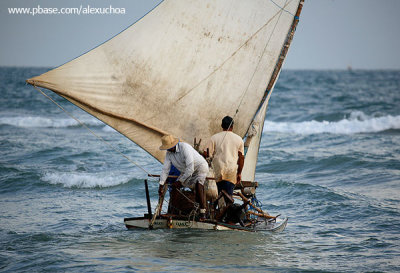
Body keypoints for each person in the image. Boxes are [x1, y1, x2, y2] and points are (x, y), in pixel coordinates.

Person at [158, 134, 208, 220]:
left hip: (200, 167)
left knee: (199, 184)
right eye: (167, 148)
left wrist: (180, 181)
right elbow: (165, 170)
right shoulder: (169, 154)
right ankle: (173, 212)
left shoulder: (184, 147)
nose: (169, 149)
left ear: (174, 144)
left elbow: (191, 168)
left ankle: (202, 212)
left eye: (170, 147)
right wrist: (161, 185)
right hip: (186, 171)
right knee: (174, 187)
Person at [205, 116, 244, 199]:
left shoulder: (214, 138)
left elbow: (206, 153)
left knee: (217, 195)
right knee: (228, 196)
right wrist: (239, 173)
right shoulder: (239, 139)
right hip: (231, 171)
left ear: (221, 126)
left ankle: (217, 209)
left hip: (217, 170)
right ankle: (226, 209)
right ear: (232, 126)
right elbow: (241, 158)